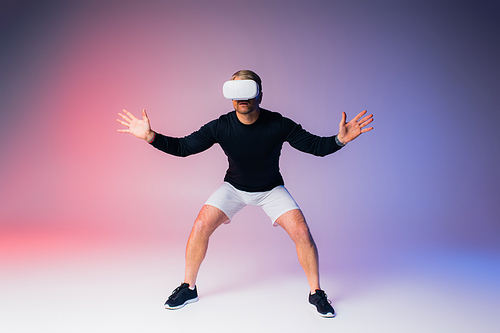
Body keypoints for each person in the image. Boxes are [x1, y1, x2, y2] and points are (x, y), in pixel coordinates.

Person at [116, 70, 373, 317]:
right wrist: (151, 136)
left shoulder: (278, 124)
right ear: (230, 95)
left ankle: (316, 293)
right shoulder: (221, 126)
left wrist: (339, 140)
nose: (242, 97)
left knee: (302, 231)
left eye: (248, 90)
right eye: (236, 91)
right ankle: (189, 288)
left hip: (271, 189)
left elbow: (316, 146)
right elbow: (184, 147)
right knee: (201, 224)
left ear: (259, 94)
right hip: (234, 188)